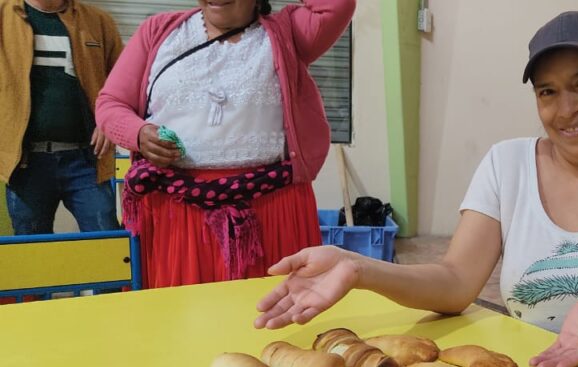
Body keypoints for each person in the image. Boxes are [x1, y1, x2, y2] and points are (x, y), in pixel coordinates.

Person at [254, 11, 578, 367]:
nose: (566, 109)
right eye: (548, 91)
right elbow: (454, 283)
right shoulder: (506, 165)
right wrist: (357, 267)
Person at [95, 0, 356, 288]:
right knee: (182, 311)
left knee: (272, 309)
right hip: (176, 215)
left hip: (272, 210)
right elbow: (111, 103)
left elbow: (338, 5)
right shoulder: (159, 31)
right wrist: (139, 133)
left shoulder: (289, 33)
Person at [0, 0, 123, 235]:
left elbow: (123, 82)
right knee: (30, 246)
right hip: (24, 163)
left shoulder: (98, 21)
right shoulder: (4, 15)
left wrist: (109, 120)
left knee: (106, 240)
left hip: (87, 159)